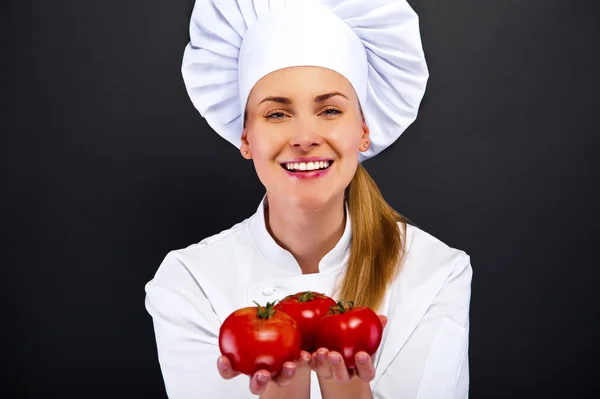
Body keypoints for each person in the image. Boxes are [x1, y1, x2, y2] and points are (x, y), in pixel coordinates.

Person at [144, 0, 473, 398]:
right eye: (277, 114)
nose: (304, 136)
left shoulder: (436, 273)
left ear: (364, 130)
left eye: (330, 110)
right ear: (245, 137)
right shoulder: (189, 282)